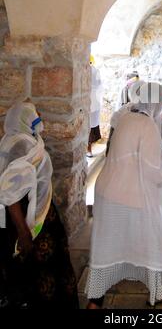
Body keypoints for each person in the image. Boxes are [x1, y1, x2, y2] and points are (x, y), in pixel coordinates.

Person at [85, 83, 162, 309]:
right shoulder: (148, 125)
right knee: (151, 240)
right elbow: (152, 169)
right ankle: (157, 293)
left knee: (107, 245)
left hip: (106, 191)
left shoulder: (125, 117)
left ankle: (95, 302)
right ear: (155, 102)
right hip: (131, 194)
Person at [0, 100, 79, 309]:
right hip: (27, 218)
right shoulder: (21, 146)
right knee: (42, 270)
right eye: (35, 116)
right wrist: (24, 232)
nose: (40, 119)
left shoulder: (18, 140)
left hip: (37, 211)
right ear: (24, 121)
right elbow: (11, 196)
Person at [87, 55, 102, 158]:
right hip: (91, 101)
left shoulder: (93, 71)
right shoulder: (95, 70)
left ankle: (88, 149)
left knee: (89, 127)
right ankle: (88, 149)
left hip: (91, 102)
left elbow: (99, 86)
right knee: (88, 127)